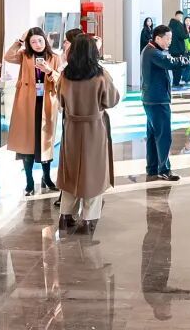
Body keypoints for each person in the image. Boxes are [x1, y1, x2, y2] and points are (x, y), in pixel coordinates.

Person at [56, 34, 122, 234]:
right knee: (93, 172)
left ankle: (65, 216)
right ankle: (88, 220)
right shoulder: (100, 75)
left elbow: (60, 101)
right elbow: (112, 100)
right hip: (94, 128)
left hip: (71, 128)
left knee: (70, 171)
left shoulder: (65, 75)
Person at [5, 27, 62, 196]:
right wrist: (19, 41)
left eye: (40, 40)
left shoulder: (54, 57)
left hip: (46, 103)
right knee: (27, 145)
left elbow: (60, 80)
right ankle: (29, 182)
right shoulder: (24, 55)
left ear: (45, 40)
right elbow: (8, 56)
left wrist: (49, 71)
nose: (37, 44)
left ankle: (47, 178)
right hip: (26, 103)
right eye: (33, 41)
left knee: (45, 142)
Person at [142, 25, 189, 181]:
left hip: (151, 99)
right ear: (158, 38)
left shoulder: (150, 50)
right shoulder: (153, 52)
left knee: (153, 135)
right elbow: (170, 63)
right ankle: (164, 170)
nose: (170, 41)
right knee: (163, 136)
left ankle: (152, 168)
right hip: (157, 100)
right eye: (167, 38)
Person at [168, 11, 189, 86]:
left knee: (175, 65)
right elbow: (183, 36)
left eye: (181, 16)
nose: (180, 17)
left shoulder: (170, 24)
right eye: (179, 16)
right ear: (176, 15)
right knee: (179, 66)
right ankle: (176, 82)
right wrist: (187, 32)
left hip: (172, 49)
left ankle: (175, 82)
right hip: (179, 49)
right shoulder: (179, 24)